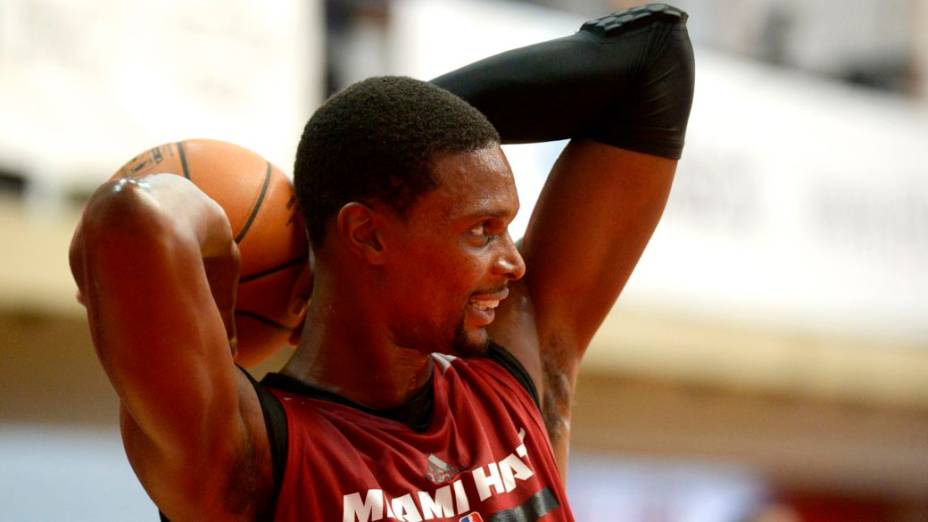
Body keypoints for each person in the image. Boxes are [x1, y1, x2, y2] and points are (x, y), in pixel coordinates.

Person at [69, 4, 693, 521]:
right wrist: (249, 229)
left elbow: (653, 58)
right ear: (365, 235)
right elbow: (134, 220)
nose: (515, 263)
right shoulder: (252, 457)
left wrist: (367, 142)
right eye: (482, 231)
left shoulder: (514, 373)